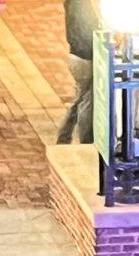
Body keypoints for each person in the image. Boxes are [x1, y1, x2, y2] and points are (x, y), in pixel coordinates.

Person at [58, 0, 102, 146]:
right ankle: (86, 140)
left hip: (77, 56)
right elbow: (87, 34)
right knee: (86, 102)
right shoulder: (82, 5)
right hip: (85, 57)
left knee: (80, 99)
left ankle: (64, 137)